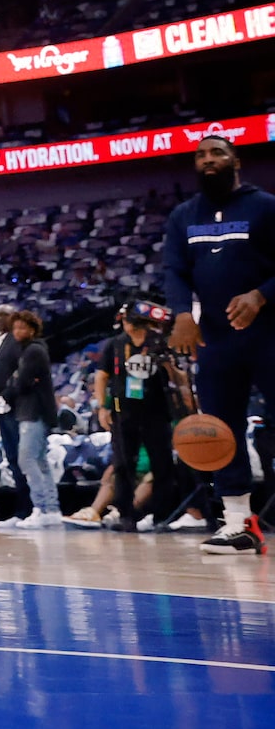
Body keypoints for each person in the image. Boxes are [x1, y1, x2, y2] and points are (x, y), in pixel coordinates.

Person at [163, 132, 275, 554]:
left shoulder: (264, 206)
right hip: (216, 339)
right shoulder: (183, 216)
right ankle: (239, 524)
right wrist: (181, 314)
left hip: (267, 333)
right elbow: (174, 271)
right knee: (220, 431)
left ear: (235, 160)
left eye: (217, 153)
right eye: (201, 155)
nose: (208, 160)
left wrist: (260, 295)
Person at [93, 301, 187, 533]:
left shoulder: (159, 342)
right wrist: (102, 407)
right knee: (124, 464)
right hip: (123, 412)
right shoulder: (115, 345)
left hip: (156, 411)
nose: (130, 327)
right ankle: (126, 515)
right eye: (127, 322)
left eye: (134, 322)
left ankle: (161, 516)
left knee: (162, 464)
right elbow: (101, 376)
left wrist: (168, 366)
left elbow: (180, 379)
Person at [0, 310, 64, 531]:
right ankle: (51, 509)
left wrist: (8, 390)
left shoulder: (33, 350)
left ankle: (41, 508)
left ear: (33, 330)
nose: (17, 332)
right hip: (34, 411)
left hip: (32, 412)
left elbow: (23, 381)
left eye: (22, 328)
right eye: (15, 328)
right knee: (40, 461)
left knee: (27, 460)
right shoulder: (31, 350)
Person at [0, 304, 30, 522]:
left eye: (4, 314)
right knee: (12, 458)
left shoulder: (16, 341)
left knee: (21, 458)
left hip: (13, 407)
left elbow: (19, 373)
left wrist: (6, 395)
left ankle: (28, 509)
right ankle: (22, 509)